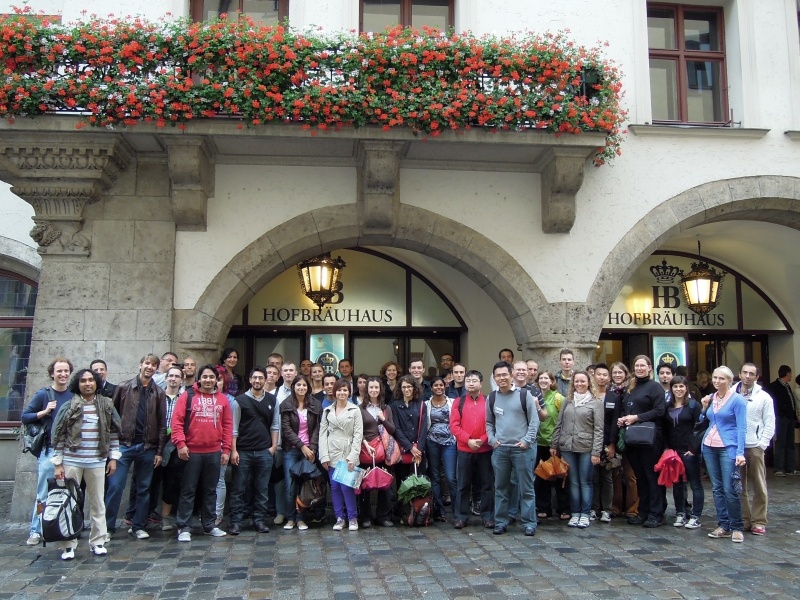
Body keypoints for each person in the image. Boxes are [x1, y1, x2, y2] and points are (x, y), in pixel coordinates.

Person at [50, 369, 121, 560]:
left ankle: (98, 541)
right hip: (72, 461)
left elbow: (113, 432)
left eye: (91, 380)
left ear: (96, 383)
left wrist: (113, 458)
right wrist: (58, 463)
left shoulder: (106, 405)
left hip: (97, 461)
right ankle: (68, 545)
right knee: (69, 504)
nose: (87, 383)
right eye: (83, 381)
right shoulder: (69, 406)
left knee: (98, 503)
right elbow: (59, 435)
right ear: (78, 384)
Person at [105, 354, 168, 540]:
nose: (149, 367)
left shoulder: (159, 393)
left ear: (157, 369)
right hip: (124, 445)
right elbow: (112, 417)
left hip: (147, 447)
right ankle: (108, 527)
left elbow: (162, 424)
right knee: (115, 487)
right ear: (140, 365)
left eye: (153, 365)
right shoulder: (124, 387)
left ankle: (139, 525)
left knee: (144, 488)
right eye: (147, 363)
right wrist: (112, 447)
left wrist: (158, 451)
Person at [171, 365, 232, 542]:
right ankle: (184, 526)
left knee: (210, 490)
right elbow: (177, 421)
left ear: (216, 379)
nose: (208, 380)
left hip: (214, 451)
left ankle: (209, 525)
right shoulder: (187, 396)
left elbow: (228, 425)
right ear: (199, 379)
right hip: (191, 452)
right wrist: (181, 444)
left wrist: (226, 449)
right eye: (205, 377)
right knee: (188, 490)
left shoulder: (222, 400)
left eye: (211, 377)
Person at [21, 357, 74, 547]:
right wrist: (44, 412)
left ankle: (62, 527)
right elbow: (25, 416)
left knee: (67, 493)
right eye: (59, 371)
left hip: (69, 452)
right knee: (43, 493)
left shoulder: (72, 395)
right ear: (52, 373)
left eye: (66, 371)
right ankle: (36, 530)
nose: (63, 374)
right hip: (49, 451)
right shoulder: (44, 394)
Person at [486, 361, 539, 537]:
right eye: (498, 375)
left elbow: (534, 421)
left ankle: (529, 523)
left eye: (504, 375)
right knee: (501, 487)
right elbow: (488, 422)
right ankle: (501, 521)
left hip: (522, 449)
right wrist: (492, 439)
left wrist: (527, 440)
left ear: (511, 375)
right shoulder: (492, 397)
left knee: (526, 488)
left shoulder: (525, 396)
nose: (501, 378)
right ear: (494, 378)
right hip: (500, 450)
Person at [616, 355, 666, 528]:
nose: (639, 368)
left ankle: (656, 513)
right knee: (640, 477)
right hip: (633, 438)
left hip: (650, 439)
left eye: (642, 366)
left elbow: (660, 411)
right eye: (636, 365)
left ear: (650, 368)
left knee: (651, 476)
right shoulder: (632, 387)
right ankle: (643, 511)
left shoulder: (655, 387)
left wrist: (636, 417)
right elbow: (625, 408)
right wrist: (623, 419)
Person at [229, 367, 279, 535]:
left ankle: (259, 520)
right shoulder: (239, 401)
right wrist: (233, 450)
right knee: (239, 488)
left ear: (265, 380)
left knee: (262, 488)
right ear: (250, 380)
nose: (257, 381)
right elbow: (233, 428)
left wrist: (273, 447)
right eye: (254, 378)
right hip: (243, 451)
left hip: (264, 451)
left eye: (260, 378)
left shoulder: (272, 400)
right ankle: (236, 521)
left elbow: (275, 425)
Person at [550, 371, 603, 529]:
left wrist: (596, 452)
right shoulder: (568, 400)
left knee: (585, 481)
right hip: (567, 446)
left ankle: (585, 513)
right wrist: (554, 444)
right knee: (572, 481)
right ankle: (575, 513)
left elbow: (599, 429)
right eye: (577, 382)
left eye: (583, 381)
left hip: (586, 447)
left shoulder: (595, 402)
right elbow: (559, 423)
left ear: (588, 383)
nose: (579, 384)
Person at [701, 366, 747, 543]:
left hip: (728, 447)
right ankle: (723, 524)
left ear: (729, 381)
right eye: (715, 378)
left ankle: (736, 526)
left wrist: (740, 452)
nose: (717, 381)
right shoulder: (712, 398)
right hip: (709, 446)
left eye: (721, 378)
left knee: (730, 488)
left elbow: (742, 428)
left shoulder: (737, 400)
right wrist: (704, 408)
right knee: (717, 487)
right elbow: (703, 420)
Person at [450, 370, 494, 529]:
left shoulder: (489, 401)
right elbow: (454, 426)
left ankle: (487, 516)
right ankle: (461, 516)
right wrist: (468, 440)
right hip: (464, 449)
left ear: (481, 383)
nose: (470, 383)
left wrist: (482, 440)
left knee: (486, 484)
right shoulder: (458, 402)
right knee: (463, 484)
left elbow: (493, 425)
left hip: (485, 450)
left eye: (474, 380)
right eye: (468, 381)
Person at [735, 363, 774, 535]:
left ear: (756, 377)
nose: (747, 376)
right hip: (735, 446)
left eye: (752, 374)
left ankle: (759, 521)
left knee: (759, 484)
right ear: (739, 374)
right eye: (745, 373)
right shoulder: (730, 393)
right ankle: (744, 519)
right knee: (738, 485)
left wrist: (762, 444)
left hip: (754, 446)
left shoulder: (764, 397)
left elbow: (769, 422)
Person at [320, 379, 364, 531]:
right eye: (339, 390)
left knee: (347, 487)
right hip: (332, 452)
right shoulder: (327, 410)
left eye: (345, 390)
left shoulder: (355, 410)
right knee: (335, 487)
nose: (342, 393)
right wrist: (324, 456)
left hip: (348, 451)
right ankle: (340, 518)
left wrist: (353, 456)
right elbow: (322, 434)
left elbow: (358, 435)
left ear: (349, 392)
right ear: (334, 391)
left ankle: (352, 518)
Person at [280, 374, 321, 531]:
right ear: (293, 387)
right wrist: (301, 446)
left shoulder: (315, 405)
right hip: (291, 450)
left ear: (308, 387)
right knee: (290, 485)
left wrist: (312, 448)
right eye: (298, 385)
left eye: (304, 385)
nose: (301, 388)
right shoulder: (286, 404)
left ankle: (301, 518)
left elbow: (318, 428)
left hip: (309, 450)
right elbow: (286, 430)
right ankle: (290, 518)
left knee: (305, 485)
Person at [663, 376, 704, 529]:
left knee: (695, 484)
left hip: (690, 452)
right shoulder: (667, 406)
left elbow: (699, 429)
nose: (678, 389)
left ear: (686, 388)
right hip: (674, 451)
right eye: (675, 387)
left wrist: (694, 449)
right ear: (671, 389)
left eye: (681, 386)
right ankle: (680, 512)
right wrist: (667, 448)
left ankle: (695, 515)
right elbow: (665, 430)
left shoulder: (694, 406)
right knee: (678, 484)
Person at [358, 376, 397, 528]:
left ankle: (383, 516)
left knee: (385, 484)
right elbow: (356, 431)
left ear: (380, 390)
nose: (374, 390)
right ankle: (366, 517)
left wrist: (383, 419)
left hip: (384, 450)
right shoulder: (360, 409)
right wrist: (366, 444)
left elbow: (392, 429)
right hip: (365, 450)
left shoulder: (386, 408)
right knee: (365, 484)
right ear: (366, 389)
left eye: (376, 387)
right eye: (371, 387)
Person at [533, 370, 569, 522]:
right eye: (540, 378)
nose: (543, 381)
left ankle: (564, 508)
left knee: (559, 476)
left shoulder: (559, 398)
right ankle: (543, 508)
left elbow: (564, 420)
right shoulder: (533, 397)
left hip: (554, 443)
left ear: (552, 381)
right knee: (541, 477)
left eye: (546, 378)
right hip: (538, 442)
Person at [425, 376, 457, 522]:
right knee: (435, 477)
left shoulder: (452, 402)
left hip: (449, 442)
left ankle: (458, 510)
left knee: (451, 477)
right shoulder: (426, 404)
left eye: (441, 385)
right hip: (432, 442)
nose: (439, 387)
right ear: (431, 388)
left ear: (445, 387)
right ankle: (439, 510)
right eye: (436, 385)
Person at [609, 362, 638, 519]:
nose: (617, 375)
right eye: (614, 373)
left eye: (620, 372)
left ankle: (632, 508)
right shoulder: (609, 391)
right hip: (614, 435)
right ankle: (616, 507)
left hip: (629, 436)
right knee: (615, 474)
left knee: (630, 475)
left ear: (626, 374)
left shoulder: (631, 390)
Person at [391, 374, 429, 486]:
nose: (407, 389)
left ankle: (419, 504)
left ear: (414, 388)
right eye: (404, 387)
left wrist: (419, 450)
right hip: (402, 448)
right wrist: (410, 447)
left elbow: (423, 428)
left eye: (409, 386)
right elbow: (396, 429)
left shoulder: (421, 405)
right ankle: (402, 504)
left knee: (419, 482)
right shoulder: (395, 406)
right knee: (402, 482)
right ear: (400, 389)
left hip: (418, 450)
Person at [591, 363, 617, 523]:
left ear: (609, 378)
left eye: (604, 375)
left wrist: (612, 443)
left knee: (607, 477)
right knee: (593, 477)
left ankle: (607, 509)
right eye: (598, 374)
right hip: (590, 441)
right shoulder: (589, 395)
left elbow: (615, 422)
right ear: (593, 376)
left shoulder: (614, 397)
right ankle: (593, 508)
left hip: (607, 441)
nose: (601, 377)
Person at [767, 365, 797, 476]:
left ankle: (790, 468)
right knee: (781, 442)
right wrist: (779, 413)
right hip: (781, 418)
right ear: (787, 373)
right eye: (790, 373)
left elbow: (791, 402)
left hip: (789, 418)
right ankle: (778, 468)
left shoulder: (787, 386)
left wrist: (794, 416)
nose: (791, 375)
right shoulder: (774, 386)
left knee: (790, 443)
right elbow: (773, 402)